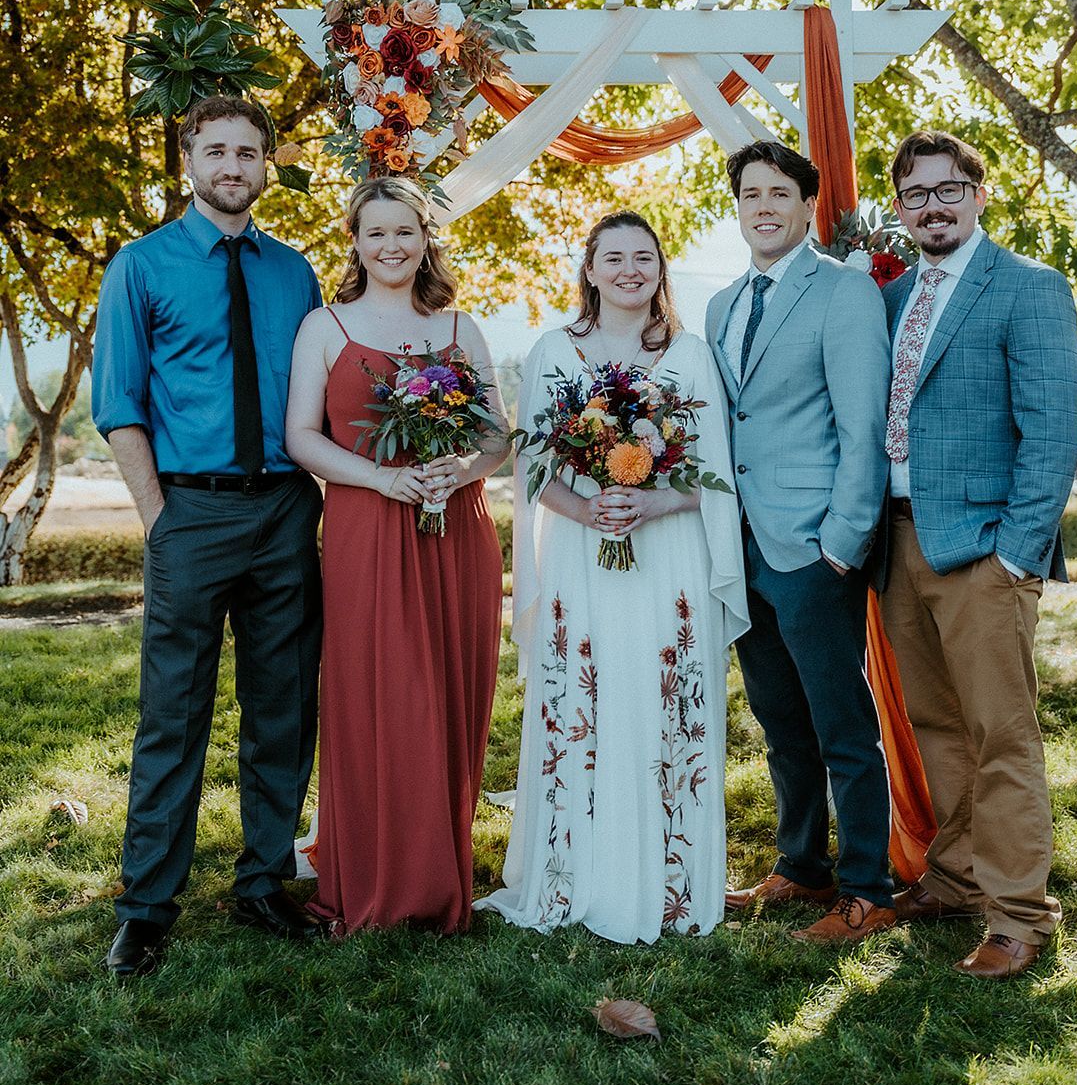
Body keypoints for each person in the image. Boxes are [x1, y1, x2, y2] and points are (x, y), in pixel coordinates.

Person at [92, 96, 325, 977]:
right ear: (188, 159)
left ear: (267, 164)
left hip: (285, 510)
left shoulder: (294, 273)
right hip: (190, 512)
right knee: (173, 712)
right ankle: (147, 907)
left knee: (282, 708)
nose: (233, 166)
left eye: (248, 152)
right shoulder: (141, 265)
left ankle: (263, 882)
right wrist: (160, 518)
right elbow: (118, 402)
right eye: (217, 150)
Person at [476, 212, 746, 944]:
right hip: (580, 551)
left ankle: (668, 880)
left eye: (644, 258)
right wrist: (589, 508)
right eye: (614, 258)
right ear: (590, 271)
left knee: (660, 696)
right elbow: (534, 466)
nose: (630, 270)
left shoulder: (689, 354)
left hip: (670, 550)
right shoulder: (552, 350)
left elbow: (714, 468)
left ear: (660, 271)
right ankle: (575, 873)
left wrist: (655, 501)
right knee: (590, 693)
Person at [880, 130, 1077, 979]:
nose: (931, 206)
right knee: (936, 727)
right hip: (897, 542)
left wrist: (1016, 555)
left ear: (977, 193)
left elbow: (1052, 432)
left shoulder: (1028, 286)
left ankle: (1018, 916)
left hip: (982, 550)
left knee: (1000, 734)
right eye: (915, 194)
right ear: (899, 208)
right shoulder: (892, 297)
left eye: (946, 189)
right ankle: (957, 877)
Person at [284, 175, 506, 934]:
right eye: (375, 232)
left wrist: (460, 470)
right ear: (354, 241)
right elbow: (300, 437)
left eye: (404, 231)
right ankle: (378, 870)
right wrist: (382, 478)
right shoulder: (324, 328)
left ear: (424, 239)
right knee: (380, 693)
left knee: (447, 691)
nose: (391, 245)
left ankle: (440, 861)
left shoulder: (460, 327)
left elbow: (497, 437)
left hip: (455, 530)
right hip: (366, 529)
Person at [706, 139, 896, 944]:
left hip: (814, 546)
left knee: (841, 727)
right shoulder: (721, 305)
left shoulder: (843, 292)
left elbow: (863, 425)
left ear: (806, 205)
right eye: (750, 193)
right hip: (741, 546)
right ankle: (801, 864)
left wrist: (841, 542)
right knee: (780, 721)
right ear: (736, 206)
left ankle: (868, 890)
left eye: (779, 193)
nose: (764, 207)